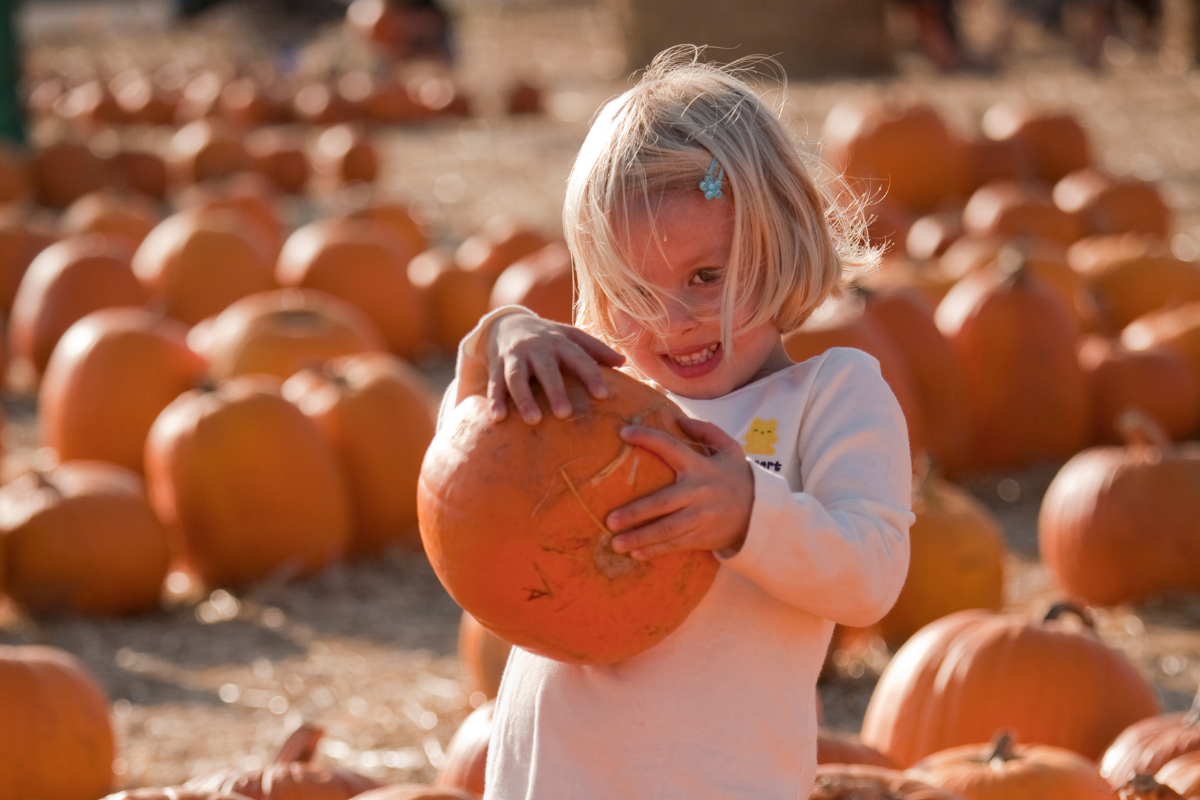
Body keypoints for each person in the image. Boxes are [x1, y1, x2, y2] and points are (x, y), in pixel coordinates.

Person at [438, 48, 914, 799]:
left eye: (706, 277)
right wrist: (497, 343)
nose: (675, 322)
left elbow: (873, 575)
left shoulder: (828, 397)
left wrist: (748, 515)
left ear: (781, 241)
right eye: (633, 290)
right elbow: (462, 492)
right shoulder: (595, 398)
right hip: (554, 774)